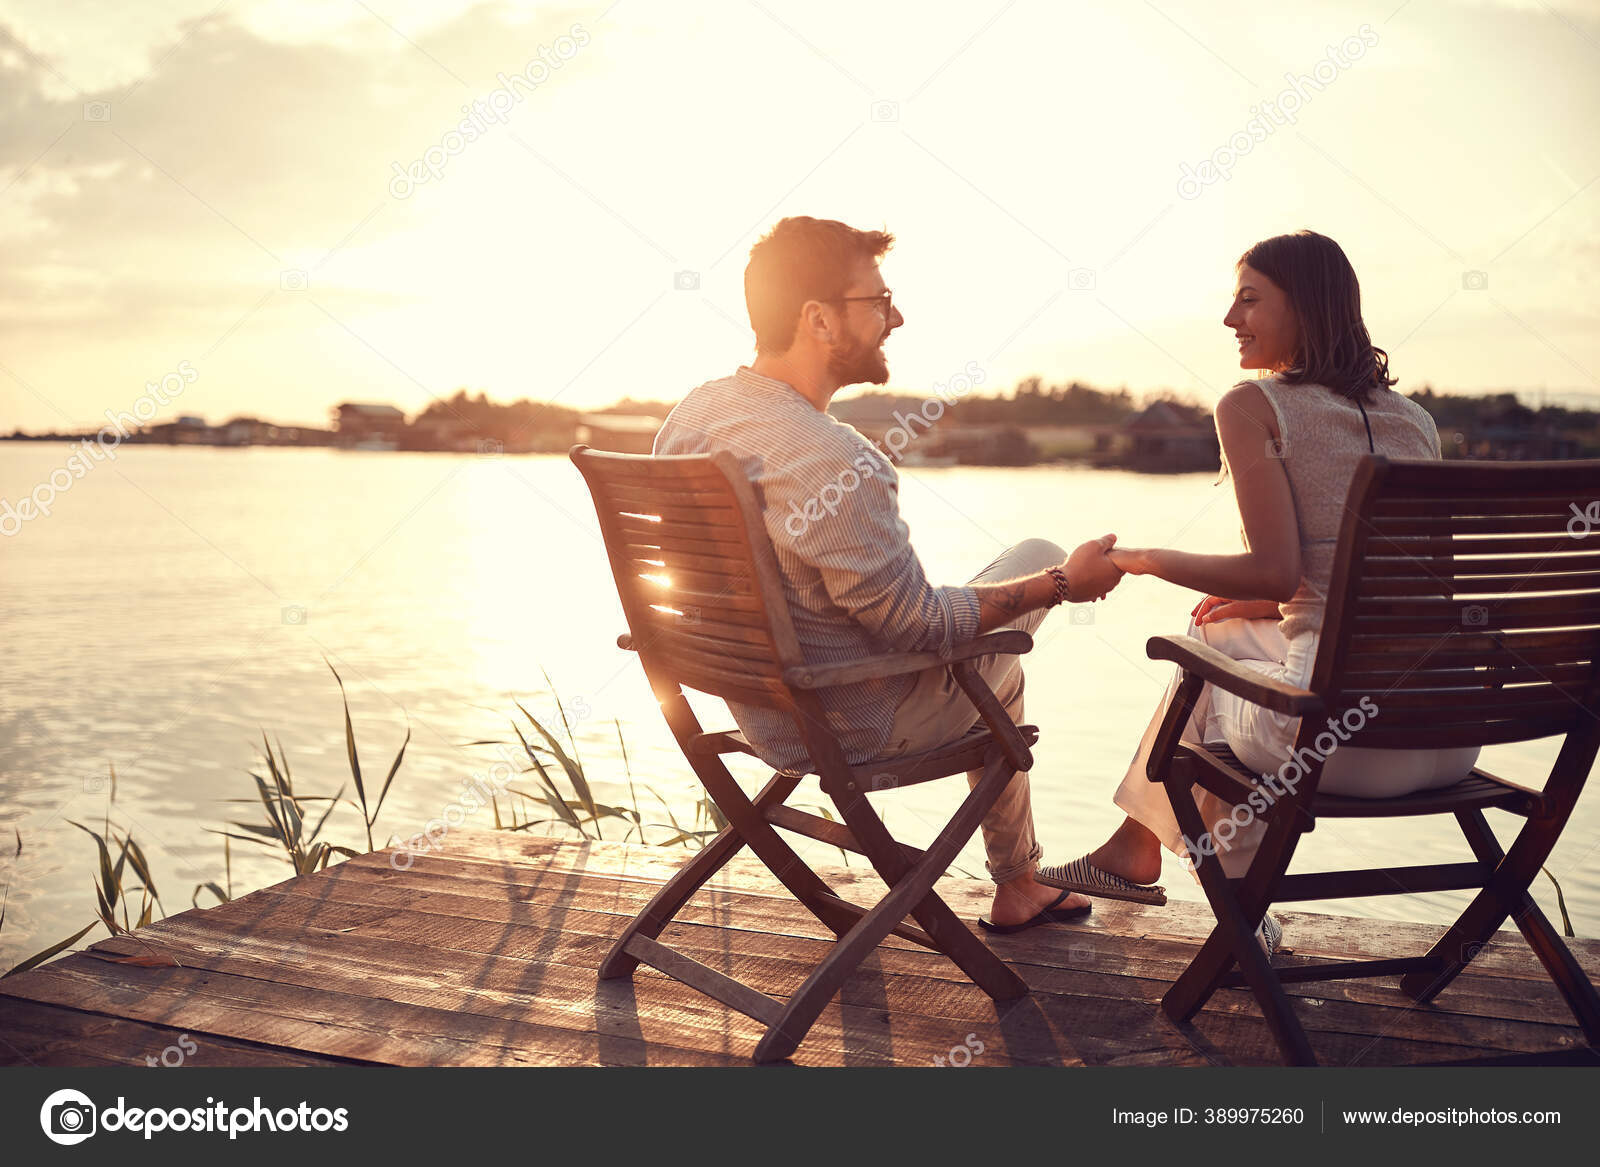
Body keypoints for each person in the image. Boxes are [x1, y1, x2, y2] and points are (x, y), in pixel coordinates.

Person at [654, 216, 1124, 931]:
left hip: (750, 705)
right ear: (817, 318)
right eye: (877, 300)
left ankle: (1020, 881)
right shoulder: (833, 457)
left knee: (996, 643)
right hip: (843, 721)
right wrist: (1062, 585)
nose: (895, 317)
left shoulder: (693, 416)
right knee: (1024, 593)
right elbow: (920, 625)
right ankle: (1018, 883)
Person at [1037, 230, 1481, 953]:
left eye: (1249, 298)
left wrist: (1143, 558)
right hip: (1450, 734)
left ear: (1302, 307)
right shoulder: (1417, 421)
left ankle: (1242, 910)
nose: (1229, 318)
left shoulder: (1253, 406)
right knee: (1218, 637)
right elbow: (1397, 594)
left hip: (1342, 746)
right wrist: (1268, 606)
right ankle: (1135, 849)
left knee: (1203, 668)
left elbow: (1276, 571)